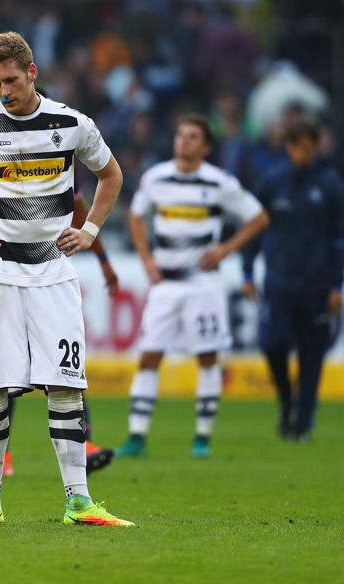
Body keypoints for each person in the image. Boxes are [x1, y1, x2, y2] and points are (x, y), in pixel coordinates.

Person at [0, 31, 134, 527]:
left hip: (54, 271)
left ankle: (79, 501)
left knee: (65, 385)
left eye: (10, 80)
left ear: (32, 73)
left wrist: (91, 230)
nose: (3, 91)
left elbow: (112, 174)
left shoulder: (72, 124)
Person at [115, 113, 269, 460]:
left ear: (205, 146)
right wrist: (146, 261)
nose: (183, 141)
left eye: (192, 136)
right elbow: (136, 216)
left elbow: (259, 217)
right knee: (150, 355)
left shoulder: (219, 182)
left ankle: (202, 436)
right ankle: (137, 435)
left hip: (203, 285)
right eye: (181, 134)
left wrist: (226, 250)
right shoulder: (156, 178)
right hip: (165, 285)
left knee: (208, 357)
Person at [241, 117, 344, 442]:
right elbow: (253, 227)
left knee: (311, 353)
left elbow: (341, 238)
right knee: (273, 344)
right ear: (289, 147)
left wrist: (337, 285)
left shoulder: (330, 185)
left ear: (315, 147)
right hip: (279, 280)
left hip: (317, 282)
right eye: (298, 147)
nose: (303, 154)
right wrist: (248, 271)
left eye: (308, 148)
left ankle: (302, 423)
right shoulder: (272, 182)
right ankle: (286, 399)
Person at [4, 190, 119, 478]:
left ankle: (85, 444)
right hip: (7, 278)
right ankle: (1, 454)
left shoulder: (60, 154)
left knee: (67, 366)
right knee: (8, 373)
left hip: (52, 282)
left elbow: (81, 209)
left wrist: (101, 257)